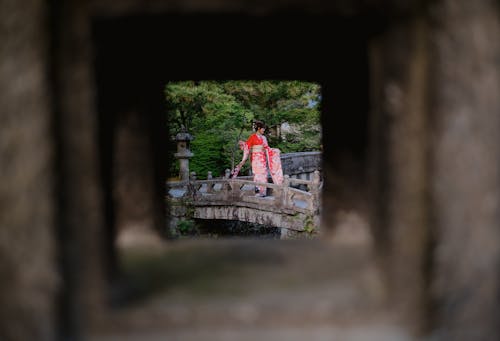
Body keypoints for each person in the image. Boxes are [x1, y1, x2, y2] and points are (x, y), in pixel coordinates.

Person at [232, 120, 283, 196]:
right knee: (257, 174)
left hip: (262, 158)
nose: (264, 130)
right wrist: (243, 144)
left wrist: (275, 151)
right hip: (256, 159)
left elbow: (267, 148)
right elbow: (247, 147)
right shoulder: (252, 137)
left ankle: (263, 191)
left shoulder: (264, 138)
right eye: (263, 128)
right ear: (259, 128)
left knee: (263, 173)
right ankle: (258, 191)